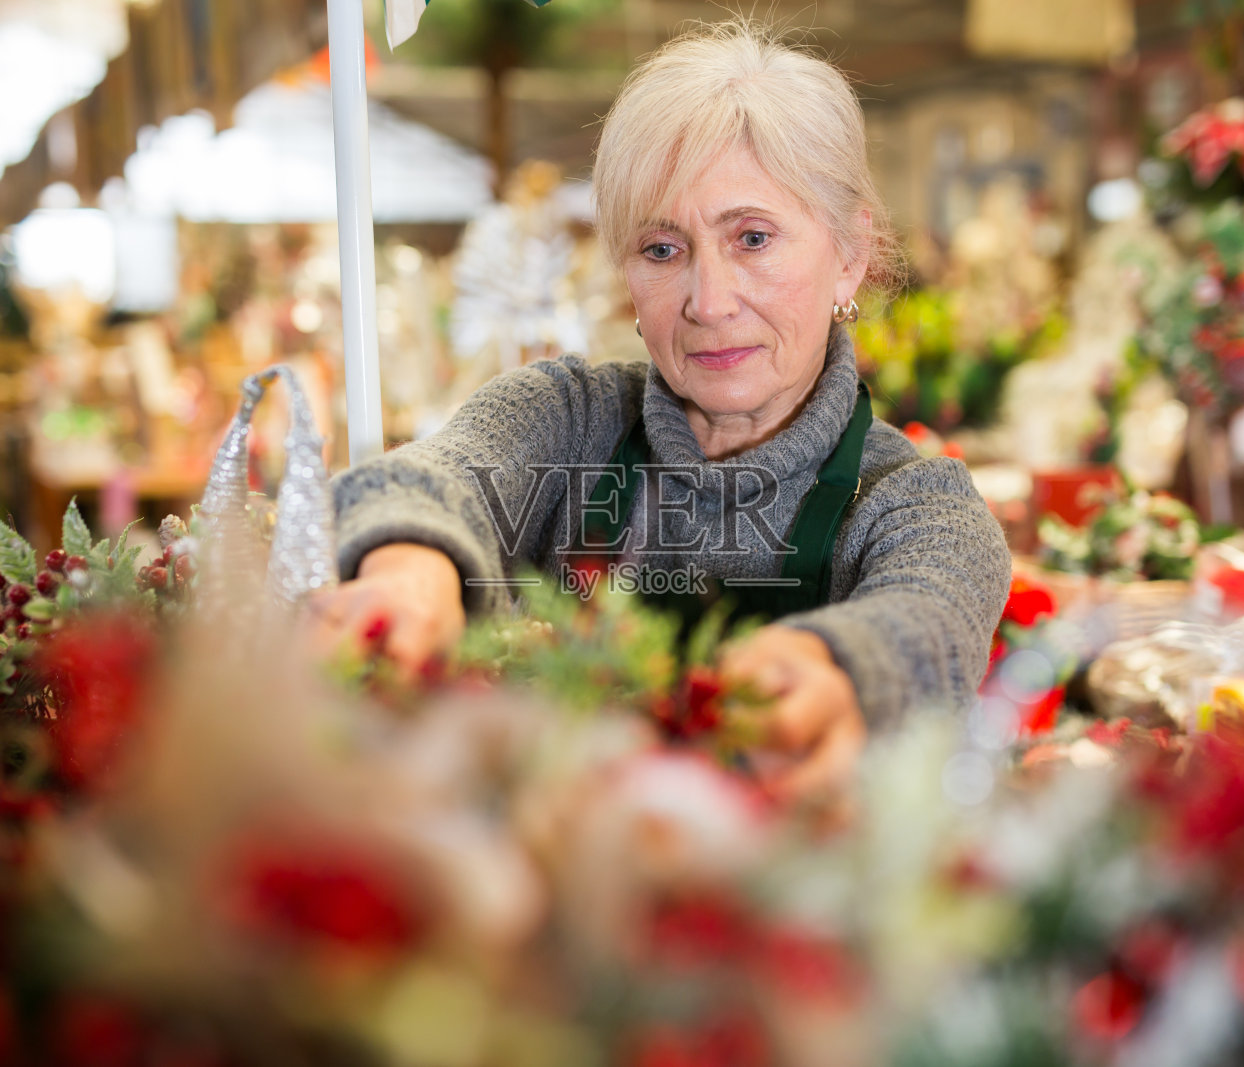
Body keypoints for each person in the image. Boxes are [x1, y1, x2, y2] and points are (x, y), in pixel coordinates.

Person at [313, 21, 1012, 801]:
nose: (709, 303)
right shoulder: (567, 421)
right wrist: (411, 578)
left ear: (848, 255)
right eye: (661, 249)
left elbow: (929, 623)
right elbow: (429, 482)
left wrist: (831, 668)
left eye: (751, 237)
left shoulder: (910, 502)